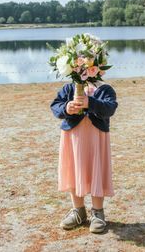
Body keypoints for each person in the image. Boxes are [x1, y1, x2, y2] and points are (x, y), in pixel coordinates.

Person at [50, 79, 118, 233]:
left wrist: (90, 103)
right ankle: (78, 211)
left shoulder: (105, 88)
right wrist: (66, 107)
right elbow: (55, 106)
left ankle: (98, 213)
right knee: (74, 171)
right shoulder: (69, 87)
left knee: (97, 172)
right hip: (73, 138)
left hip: (96, 138)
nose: (85, 71)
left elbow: (110, 109)